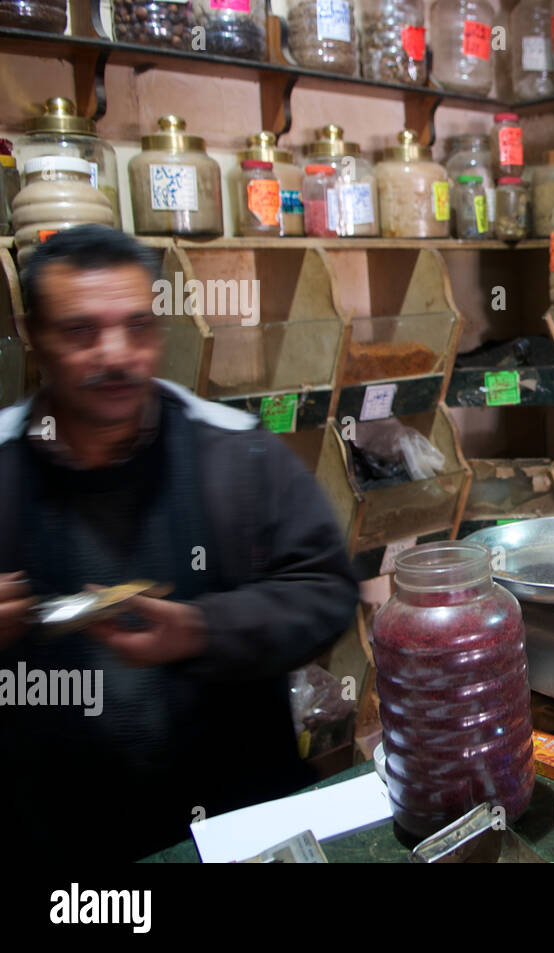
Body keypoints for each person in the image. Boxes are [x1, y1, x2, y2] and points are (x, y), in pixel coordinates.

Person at [0, 226, 359, 861]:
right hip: (56, 840)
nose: (116, 355)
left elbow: (326, 591)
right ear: (35, 337)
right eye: (82, 332)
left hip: (236, 827)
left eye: (137, 327)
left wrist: (200, 630)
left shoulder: (234, 450)